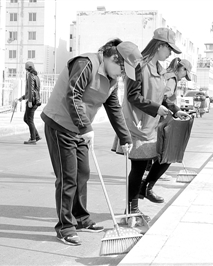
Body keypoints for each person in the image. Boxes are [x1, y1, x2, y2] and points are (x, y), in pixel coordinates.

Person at [41, 39, 141, 246]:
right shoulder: (85, 63)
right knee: (68, 178)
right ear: (114, 58)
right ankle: (65, 227)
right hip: (60, 124)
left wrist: (125, 137)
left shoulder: (111, 79)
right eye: (122, 69)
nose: (122, 75)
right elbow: (73, 95)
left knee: (83, 173)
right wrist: (85, 127)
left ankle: (80, 217)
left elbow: (113, 108)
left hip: (79, 129)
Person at [112, 28, 189, 221]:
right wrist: (156, 109)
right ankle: (131, 210)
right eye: (169, 49)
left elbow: (162, 97)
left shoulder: (160, 70)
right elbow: (132, 96)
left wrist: (174, 109)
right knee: (138, 167)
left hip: (151, 126)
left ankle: (139, 199)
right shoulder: (138, 65)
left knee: (159, 159)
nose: (170, 54)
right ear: (160, 45)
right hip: (137, 125)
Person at [18, 61, 41, 144]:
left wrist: (30, 101)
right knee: (26, 119)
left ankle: (33, 139)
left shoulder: (30, 76)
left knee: (29, 120)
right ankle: (36, 136)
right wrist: (23, 98)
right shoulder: (36, 76)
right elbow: (34, 90)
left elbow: (31, 90)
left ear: (27, 68)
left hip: (32, 101)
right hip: (36, 100)